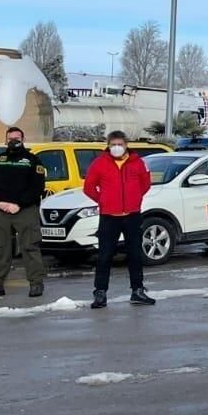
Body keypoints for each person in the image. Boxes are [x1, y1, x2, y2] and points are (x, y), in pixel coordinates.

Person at [84, 130, 155, 308]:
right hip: (109, 217)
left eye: (120, 144)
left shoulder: (138, 163)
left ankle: (137, 290)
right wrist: (103, 200)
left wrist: (135, 198)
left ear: (126, 145)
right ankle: (100, 293)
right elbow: (89, 187)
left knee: (135, 254)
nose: (117, 147)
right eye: (113, 144)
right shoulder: (99, 163)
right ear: (108, 146)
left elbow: (145, 184)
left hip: (131, 215)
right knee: (105, 256)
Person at [0, 126, 47, 299]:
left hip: (25, 210)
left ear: (23, 140)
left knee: (29, 247)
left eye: (17, 138)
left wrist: (20, 204)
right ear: (6, 140)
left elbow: (37, 186)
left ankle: (36, 284)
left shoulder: (33, 160)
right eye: (10, 138)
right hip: (2, 210)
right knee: (0, 247)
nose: (14, 141)